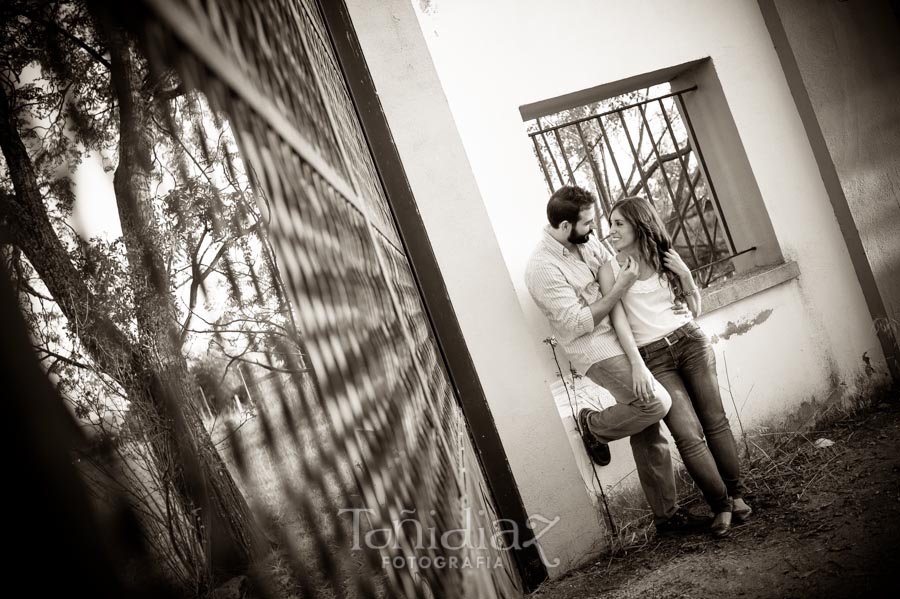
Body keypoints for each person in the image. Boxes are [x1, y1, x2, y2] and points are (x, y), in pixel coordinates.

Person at [525, 185, 706, 534]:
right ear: (565, 227)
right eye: (588, 224)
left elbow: (619, 275)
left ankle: (667, 518)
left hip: (626, 336)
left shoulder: (584, 241)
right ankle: (593, 426)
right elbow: (579, 323)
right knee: (654, 404)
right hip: (595, 348)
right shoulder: (542, 269)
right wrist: (621, 285)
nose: (596, 231)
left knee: (645, 420)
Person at [601, 195, 752, 537]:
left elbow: (694, 307)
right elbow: (620, 323)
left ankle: (738, 494)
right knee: (687, 434)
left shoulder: (665, 256)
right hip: (653, 358)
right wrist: (637, 365)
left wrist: (685, 274)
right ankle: (721, 504)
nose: (611, 231)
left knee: (715, 422)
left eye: (618, 223)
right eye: (610, 224)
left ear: (639, 225)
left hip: (690, 343)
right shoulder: (612, 269)